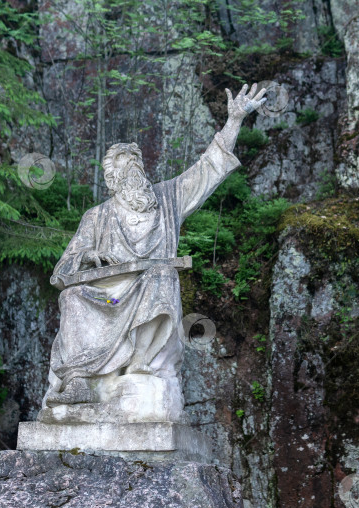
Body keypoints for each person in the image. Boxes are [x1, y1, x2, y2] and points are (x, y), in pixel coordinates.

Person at [40, 84, 267, 409]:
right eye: (125, 168)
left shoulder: (168, 197)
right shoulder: (96, 217)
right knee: (73, 296)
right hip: (112, 295)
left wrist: (234, 121)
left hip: (149, 288)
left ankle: (139, 370)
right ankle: (79, 381)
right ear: (111, 179)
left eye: (137, 165)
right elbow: (62, 270)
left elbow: (208, 169)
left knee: (158, 276)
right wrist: (87, 257)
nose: (134, 171)